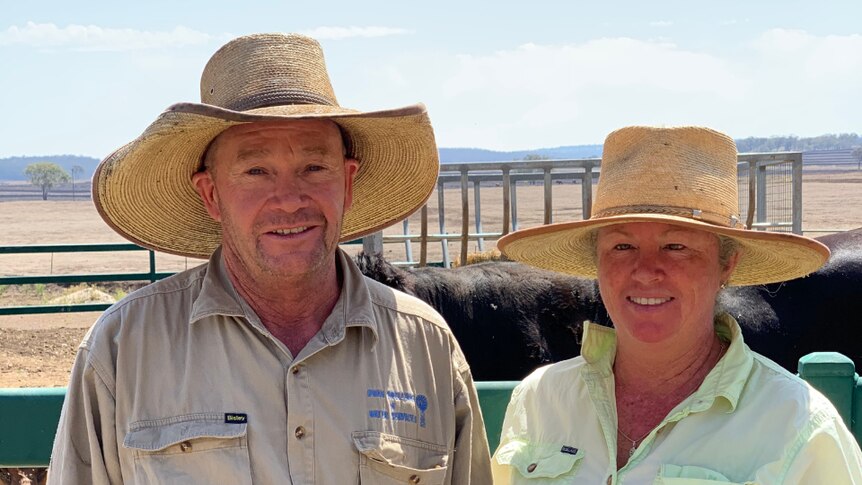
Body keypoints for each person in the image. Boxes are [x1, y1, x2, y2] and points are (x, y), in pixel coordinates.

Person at [48, 33, 492, 484]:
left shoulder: (426, 347)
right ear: (211, 194)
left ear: (348, 182)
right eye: (256, 171)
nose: (289, 199)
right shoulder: (124, 349)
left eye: (314, 168)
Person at [491, 126, 862, 483]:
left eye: (677, 247)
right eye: (622, 246)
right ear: (598, 264)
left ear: (725, 266)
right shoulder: (540, 400)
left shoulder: (801, 429)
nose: (646, 271)